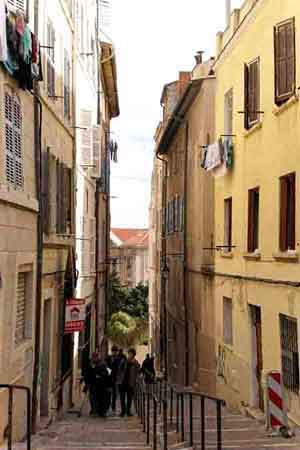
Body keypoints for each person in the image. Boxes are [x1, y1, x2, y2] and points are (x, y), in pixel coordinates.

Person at [119, 348, 140, 417]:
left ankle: (128, 411)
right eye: (129, 353)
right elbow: (120, 369)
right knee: (122, 398)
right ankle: (123, 411)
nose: (130, 355)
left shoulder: (136, 363)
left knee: (129, 398)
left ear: (134, 354)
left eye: (131, 353)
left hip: (130, 382)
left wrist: (135, 380)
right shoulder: (124, 361)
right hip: (123, 382)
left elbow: (138, 371)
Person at [83, 352, 100, 416]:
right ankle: (93, 409)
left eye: (95, 357)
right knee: (91, 397)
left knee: (96, 397)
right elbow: (86, 374)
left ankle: (96, 409)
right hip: (91, 383)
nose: (94, 358)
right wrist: (86, 382)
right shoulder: (89, 364)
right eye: (93, 357)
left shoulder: (99, 364)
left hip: (98, 384)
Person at [106, 345, 121, 415]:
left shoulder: (118, 359)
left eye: (115, 352)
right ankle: (107, 407)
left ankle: (113, 408)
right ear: (112, 351)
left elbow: (119, 369)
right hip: (109, 379)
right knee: (108, 394)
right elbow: (106, 366)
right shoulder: (108, 358)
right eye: (113, 351)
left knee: (115, 395)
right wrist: (109, 371)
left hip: (115, 379)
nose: (114, 353)